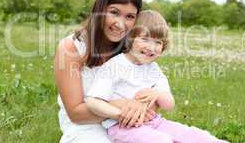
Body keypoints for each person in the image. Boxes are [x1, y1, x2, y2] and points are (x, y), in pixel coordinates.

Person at [85, 10, 229, 143]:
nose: (151, 47)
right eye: (145, 39)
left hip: (155, 122)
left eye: (158, 42)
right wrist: (120, 114)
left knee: (196, 136)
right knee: (161, 141)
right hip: (123, 127)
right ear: (130, 38)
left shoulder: (154, 69)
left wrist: (157, 94)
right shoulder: (114, 66)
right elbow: (93, 101)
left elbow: (169, 104)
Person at [54, 0, 158, 143]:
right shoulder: (71, 48)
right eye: (114, 12)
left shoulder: (133, 51)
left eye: (130, 16)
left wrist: (146, 103)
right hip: (85, 129)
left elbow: (153, 99)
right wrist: (125, 106)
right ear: (100, 9)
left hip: (128, 124)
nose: (120, 24)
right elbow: (76, 114)